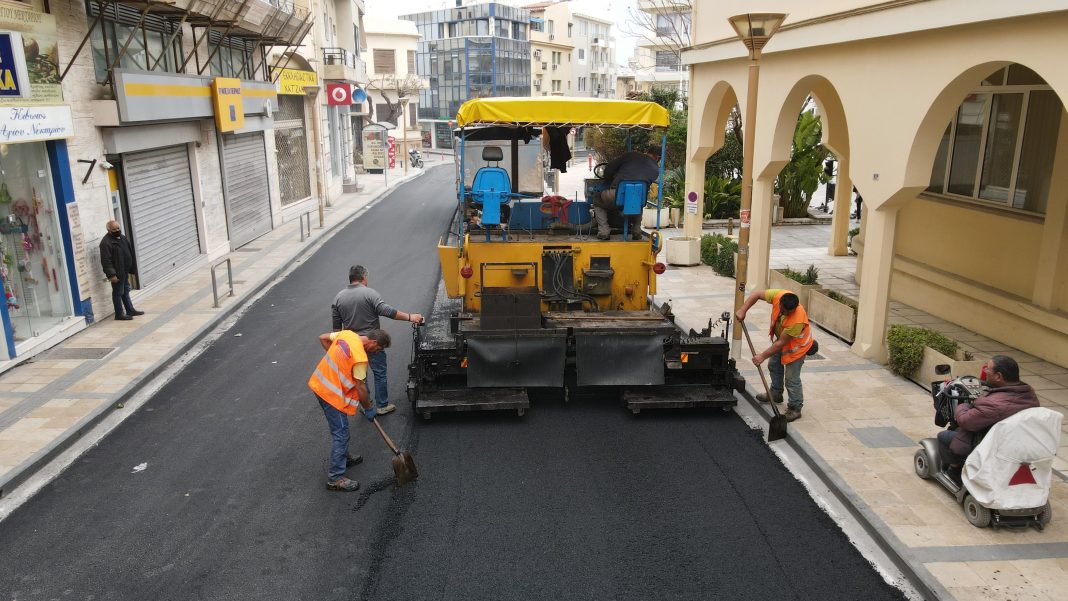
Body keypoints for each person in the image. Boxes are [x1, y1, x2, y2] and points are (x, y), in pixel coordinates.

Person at [332, 265, 423, 416]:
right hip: (373, 342)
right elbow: (387, 311)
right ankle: (382, 405)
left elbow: (336, 330)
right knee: (379, 373)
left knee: (360, 377)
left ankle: (366, 404)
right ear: (364, 278)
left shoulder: (338, 298)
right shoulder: (369, 294)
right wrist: (410, 317)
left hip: (353, 345)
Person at [308, 328, 392, 492]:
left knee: (341, 427)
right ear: (374, 342)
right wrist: (368, 408)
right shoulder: (360, 358)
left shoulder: (348, 335)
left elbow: (323, 337)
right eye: (379, 349)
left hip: (320, 383)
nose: (377, 353)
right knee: (341, 432)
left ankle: (343, 456)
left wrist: (339, 364)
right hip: (330, 393)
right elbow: (361, 388)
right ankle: (335, 478)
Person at [936, 355, 1039, 469]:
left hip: (990, 445)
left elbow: (965, 421)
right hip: (1016, 442)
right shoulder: (1029, 394)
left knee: (944, 436)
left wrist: (964, 406)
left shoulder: (994, 404)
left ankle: (953, 469)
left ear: (998, 376)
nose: (985, 371)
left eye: (987, 369)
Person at [736, 289, 814, 422]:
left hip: (797, 348)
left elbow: (781, 343)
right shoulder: (779, 295)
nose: (783, 313)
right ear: (781, 302)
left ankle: (795, 408)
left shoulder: (797, 320)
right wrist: (743, 309)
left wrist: (762, 356)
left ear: (794, 309)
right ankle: (776, 394)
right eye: (782, 310)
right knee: (774, 365)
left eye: (787, 312)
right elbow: (757, 294)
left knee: (791, 378)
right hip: (782, 340)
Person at [593, 149, 660, 241]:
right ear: (657, 158)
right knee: (637, 200)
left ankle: (604, 231)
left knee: (597, 200)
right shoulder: (656, 169)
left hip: (616, 195)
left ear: (646, 152)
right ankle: (636, 230)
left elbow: (608, 169)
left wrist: (610, 176)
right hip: (638, 199)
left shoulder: (631, 155)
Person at [98, 220, 144, 321]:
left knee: (125, 290)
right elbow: (106, 261)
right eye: (114, 229)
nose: (117, 230)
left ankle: (130, 310)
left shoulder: (122, 237)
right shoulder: (106, 243)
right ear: (108, 230)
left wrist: (132, 268)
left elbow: (129, 251)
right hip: (117, 273)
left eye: (118, 228)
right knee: (118, 293)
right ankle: (119, 314)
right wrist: (111, 275)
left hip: (124, 271)